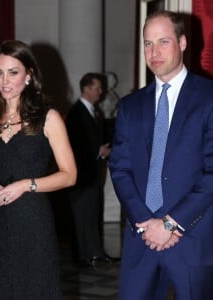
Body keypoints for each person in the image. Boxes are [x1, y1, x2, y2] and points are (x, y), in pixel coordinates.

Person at [109, 10, 213, 300]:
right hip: (141, 240)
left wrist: (170, 223)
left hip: (192, 239)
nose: (153, 52)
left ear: (182, 43)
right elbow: (119, 169)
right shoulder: (130, 106)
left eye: (162, 42)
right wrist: (145, 223)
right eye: (147, 43)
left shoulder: (209, 98)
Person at [0, 40, 77, 299]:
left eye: (13, 72)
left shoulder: (48, 117)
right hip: (1, 223)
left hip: (34, 222)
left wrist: (25, 184)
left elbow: (69, 174)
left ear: (29, 75)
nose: (5, 81)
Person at [66, 72, 112, 269]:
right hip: (79, 176)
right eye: (97, 88)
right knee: (80, 217)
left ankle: (94, 253)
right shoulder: (75, 113)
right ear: (86, 88)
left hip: (90, 174)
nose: (100, 92)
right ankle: (81, 256)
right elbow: (73, 146)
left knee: (91, 215)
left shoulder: (94, 112)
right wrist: (97, 151)